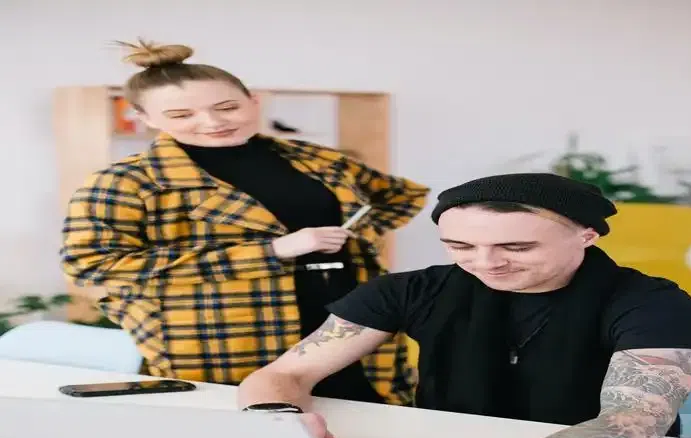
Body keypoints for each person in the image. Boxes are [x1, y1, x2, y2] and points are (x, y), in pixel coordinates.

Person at [237, 172, 691, 438]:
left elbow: (634, 422)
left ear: (586, 236)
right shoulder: (412, 290)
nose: (486, 263)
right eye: (459, 245)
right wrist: (279, 422)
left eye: (516, 246)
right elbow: (284, 375)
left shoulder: (654, 303)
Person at [59, 39, 430, 406]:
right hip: (221, 335)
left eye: (227, 107)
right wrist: (270, 252)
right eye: (182, 115)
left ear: (254, 100)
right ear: (145, 118)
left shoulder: (313, 158)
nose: (212, 122)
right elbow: (90, 265)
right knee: (249, 427)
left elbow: (400, 195)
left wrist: (355, 238)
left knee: (369, 422)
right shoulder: (127, 182)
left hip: (348, 322)